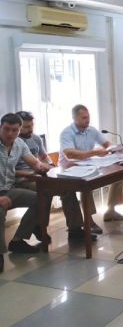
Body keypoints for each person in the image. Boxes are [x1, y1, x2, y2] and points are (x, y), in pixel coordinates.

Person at [14, 111, 93, 241]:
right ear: (19, 127)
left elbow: (44, 158)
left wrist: (51, 166)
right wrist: (34, 171)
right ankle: (39, 226)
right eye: (26, 127)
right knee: (46, 191)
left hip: (39, 176)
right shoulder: (13, 142)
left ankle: (75, 229)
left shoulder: (35, 138)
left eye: (32, 126)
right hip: (23, 180)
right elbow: (8, 170)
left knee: (67, 189)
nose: (30, 129)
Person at [59, 104, 123, 223]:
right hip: (69, 168)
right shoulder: (67, 133)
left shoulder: (91, 130)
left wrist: (116, 149)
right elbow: (70, 154)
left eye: (88, 117)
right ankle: (89, 220)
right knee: (88, 183)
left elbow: (107, 144)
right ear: (74, 118)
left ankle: (110, 211)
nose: (87, 120)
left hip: (88, 163)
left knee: (119, 174)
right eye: (84, 118)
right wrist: (94, 152)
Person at [0, 113, 52, 273]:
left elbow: (34, 162)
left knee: (42, 198)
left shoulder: (19, 143)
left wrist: (41, 166)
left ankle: (18, 240)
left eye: (14, 130)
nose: (10, 134)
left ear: (19, 130)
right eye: (6, 129)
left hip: (9, 189)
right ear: (0, 127)